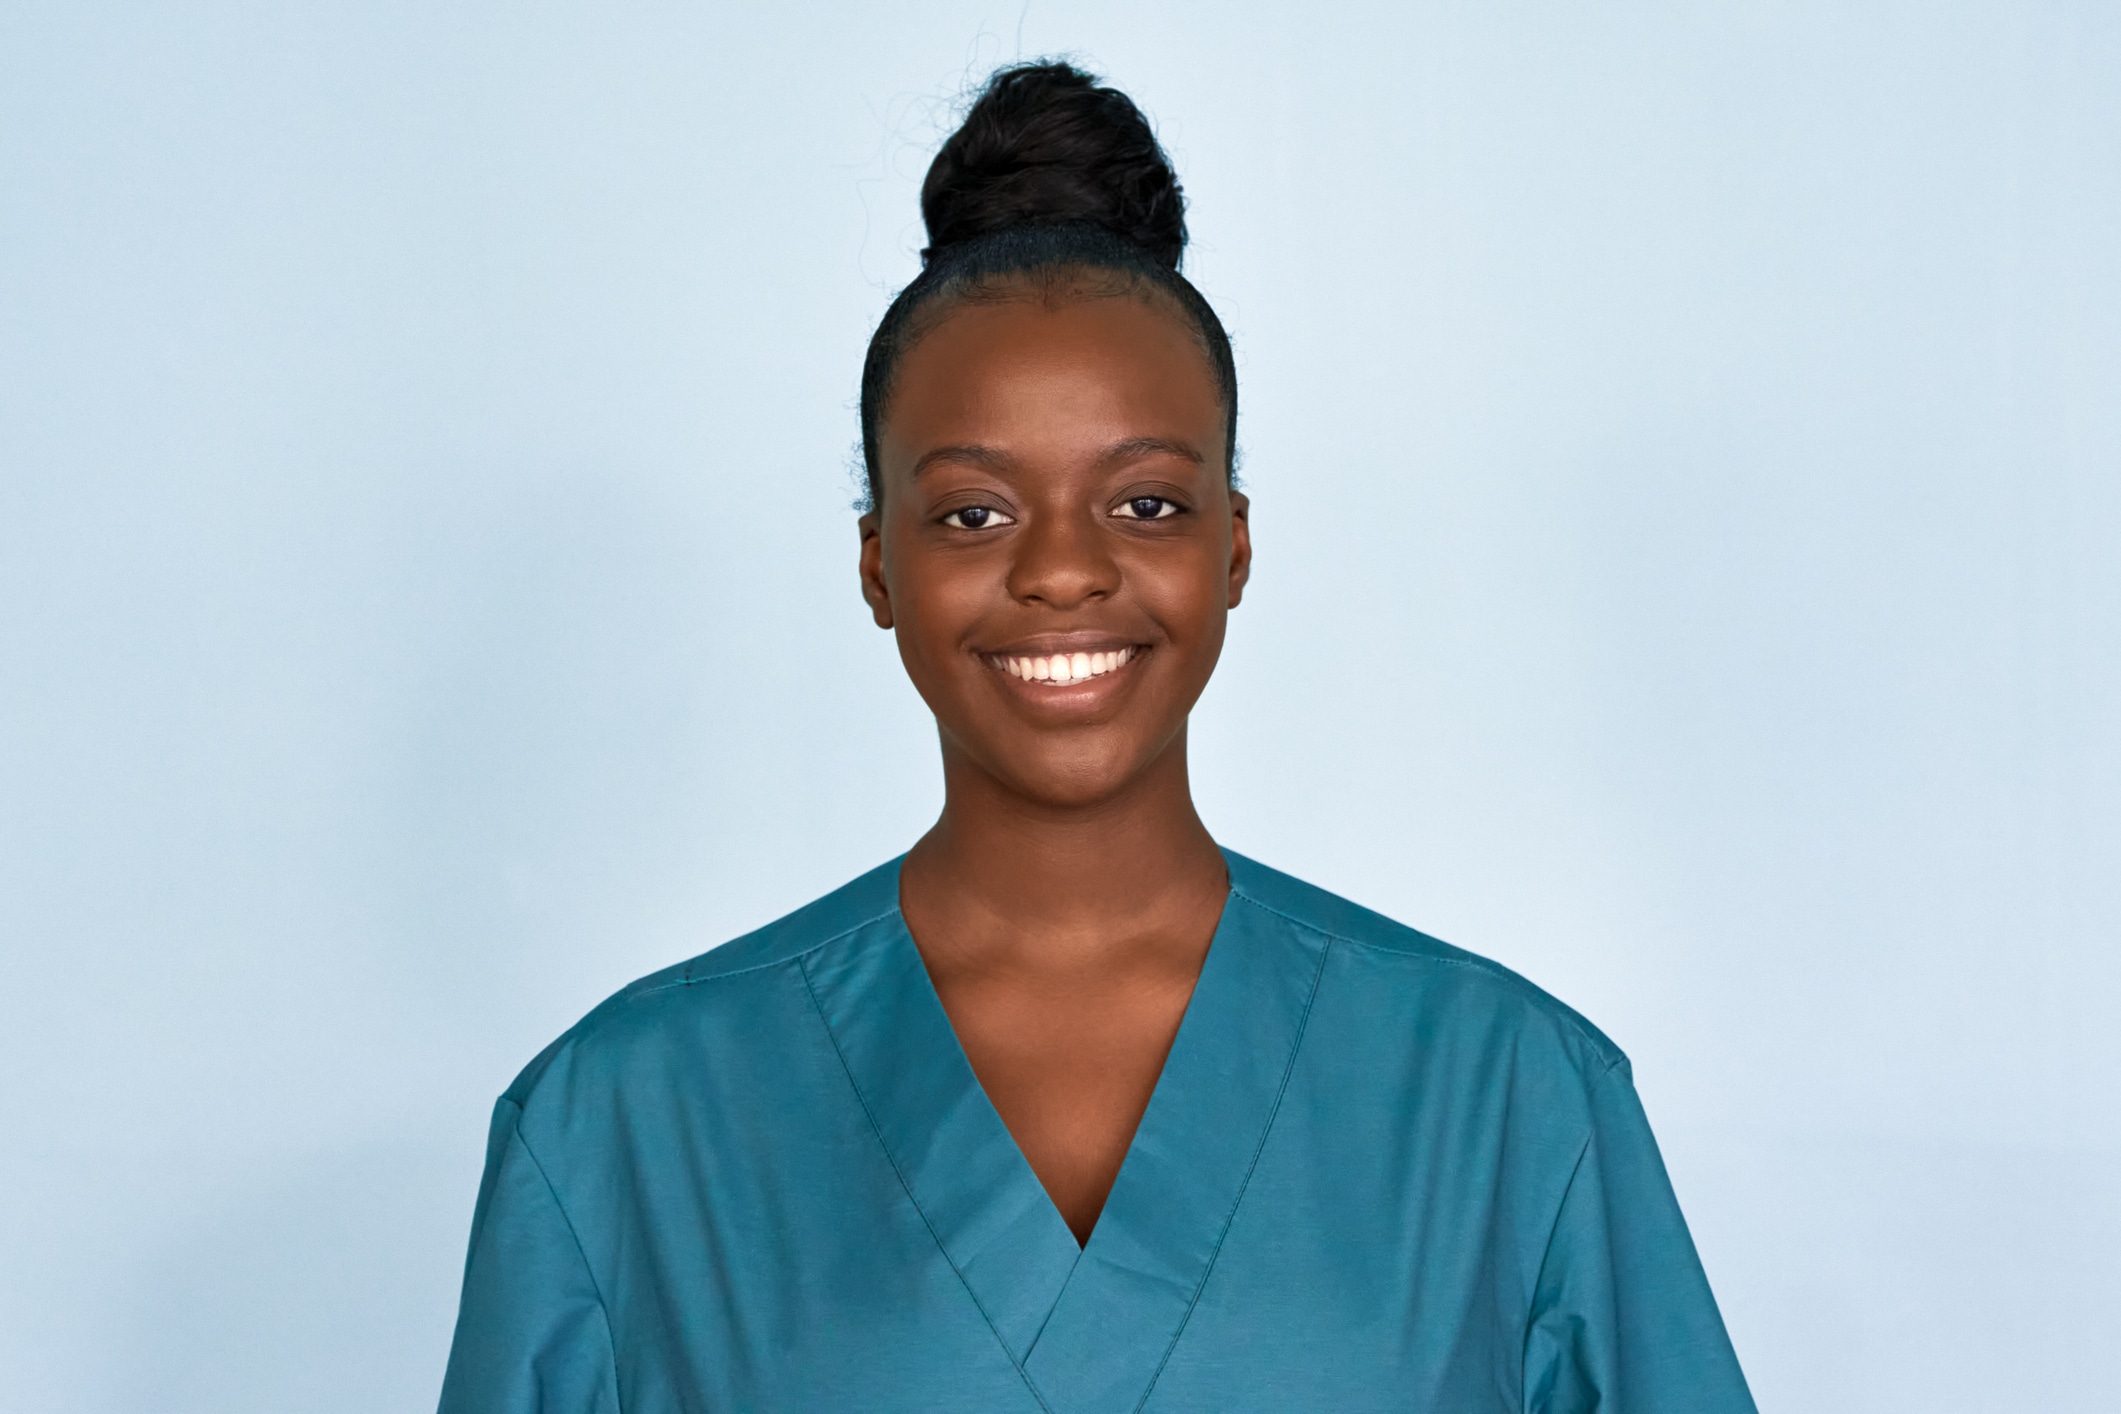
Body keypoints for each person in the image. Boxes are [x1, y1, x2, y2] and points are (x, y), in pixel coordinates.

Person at [437, 61, 1755, 1414]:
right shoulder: (625, 1127)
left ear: (1232, 546)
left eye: (1143, 503)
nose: (1061, 570)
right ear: (877, 561)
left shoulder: (1506, 1101)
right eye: (971, 513)